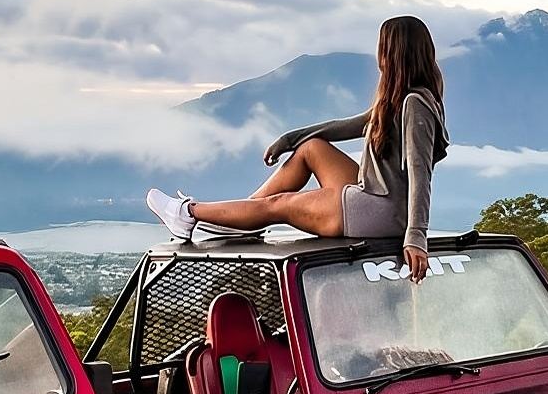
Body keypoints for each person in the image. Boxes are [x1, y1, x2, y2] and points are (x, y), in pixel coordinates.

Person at [146, 15, 449, 283]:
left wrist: (416, 236)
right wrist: (290, 139)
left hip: (381, 211)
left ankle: (188, 214)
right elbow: (350, 125)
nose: (377, 55)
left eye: (382, 47)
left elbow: (420, 172)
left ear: (393, 53)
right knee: (311, 148)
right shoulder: (398, 99)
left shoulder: (415, 105)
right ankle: (243, 220)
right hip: (376, 194)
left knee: (279, 204)